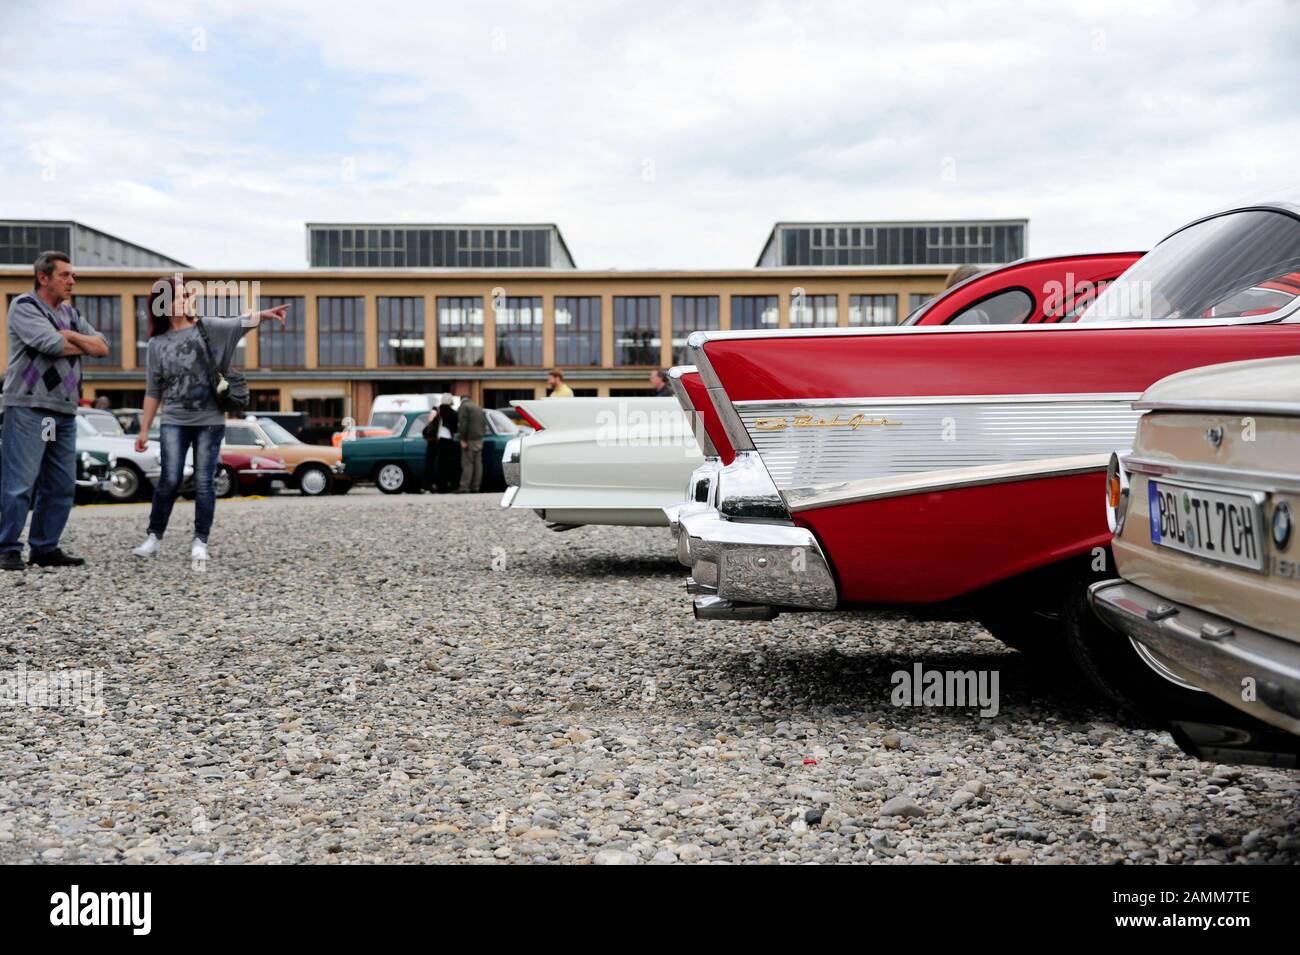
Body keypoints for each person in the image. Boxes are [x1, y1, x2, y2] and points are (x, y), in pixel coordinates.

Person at [131, 277, 288, 562]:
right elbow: (153, 390)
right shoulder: (156, 344)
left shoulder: (208, 328)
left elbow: (239, 323)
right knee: (169, 479)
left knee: (205, 481)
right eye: (176, 297)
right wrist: (143, 431)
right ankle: (153, 536)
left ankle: (200, 540)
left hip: (209, 419)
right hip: (174, 420)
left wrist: (265, 315)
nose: (183, 300)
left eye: (184, 295)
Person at [0, 251, 110, 570]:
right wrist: (76, 342)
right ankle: (6, 547)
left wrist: (71, 335)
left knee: (60, 483)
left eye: (72, 275)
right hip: (29, 406)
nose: (72, 281)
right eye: (65, 275)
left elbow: (102, 347)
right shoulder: (23, 307)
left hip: (62, 409)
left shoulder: (71, 316)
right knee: (20, 481)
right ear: (43, 277)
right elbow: (51, 345)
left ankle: (44, 548)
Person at [456, 391, 487, 493]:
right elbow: (483, 423)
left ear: (461, 399)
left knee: (467, 464)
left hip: (469, 439)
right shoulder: (478, 407)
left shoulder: (464, 407)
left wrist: (463, 439)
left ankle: (464, 487)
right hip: (479, 439)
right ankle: (475, 487)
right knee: (478, 464)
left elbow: (463, 423)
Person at [436, 395, 459, 493]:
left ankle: (439, 486)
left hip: (438, 440)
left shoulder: (437, 411)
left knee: (440, 465)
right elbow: (455, 427)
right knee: (450, 464)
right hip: (449, 439)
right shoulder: (453, 413)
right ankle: (449, 485)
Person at [420, 407, 440, 492]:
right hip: (434, 446)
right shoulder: (437, 422)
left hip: (431, 446)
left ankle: (427, 485)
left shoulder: (432, 423)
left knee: (429, 466)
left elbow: (424, 432)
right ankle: (430, 485)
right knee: (432, 466)